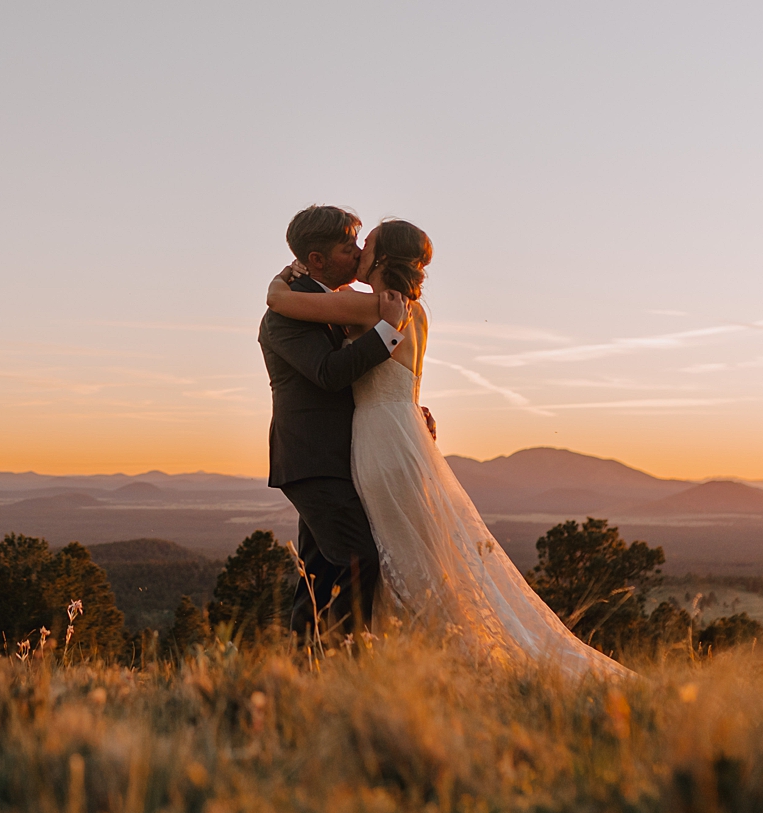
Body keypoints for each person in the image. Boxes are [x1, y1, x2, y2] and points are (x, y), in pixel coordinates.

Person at [264, 217, 626, 677]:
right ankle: (356, 662)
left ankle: (370, 662)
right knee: (398, 553)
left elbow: (283, 305)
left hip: (379, 442)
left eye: (365, 244)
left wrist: (278, 283)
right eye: (353, 244)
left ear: (383, 258)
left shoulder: (372, 306)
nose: (358, 252)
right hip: (397, 434)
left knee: (379, 554)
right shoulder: (410, 309)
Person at [257, 206, 405, 639]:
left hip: (342, 457)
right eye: (348, 247)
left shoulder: (323, 301)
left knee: (320, 574)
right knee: (357, 560)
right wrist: (386, 332)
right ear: (317, 260)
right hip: (312, 458)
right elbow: (328, 372)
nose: (358, 254)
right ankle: (347, 661)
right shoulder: (284, 315)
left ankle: (308, 665)